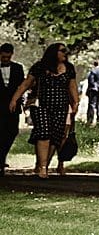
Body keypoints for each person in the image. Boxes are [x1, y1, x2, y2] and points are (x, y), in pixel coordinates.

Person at [14, 45, 76, 178]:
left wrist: (75, 103)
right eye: (63, 51)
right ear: (54, 53)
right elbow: (26, 83)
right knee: (44, 133)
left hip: (61, 106)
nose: (66, 53)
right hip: (41, 105)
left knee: (55, 136)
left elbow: (72, 86)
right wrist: (14, 99)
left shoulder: (69, 68)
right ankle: (42, 167)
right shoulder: (40, 67)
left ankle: (44, 165)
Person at [0, 44, 23, 174]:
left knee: (12, 131)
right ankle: (1, 160)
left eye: (8, 57)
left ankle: (2, 155)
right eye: (3, 57)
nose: (6, 60)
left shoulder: (18, 68)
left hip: (13, 107)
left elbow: (21, 86)